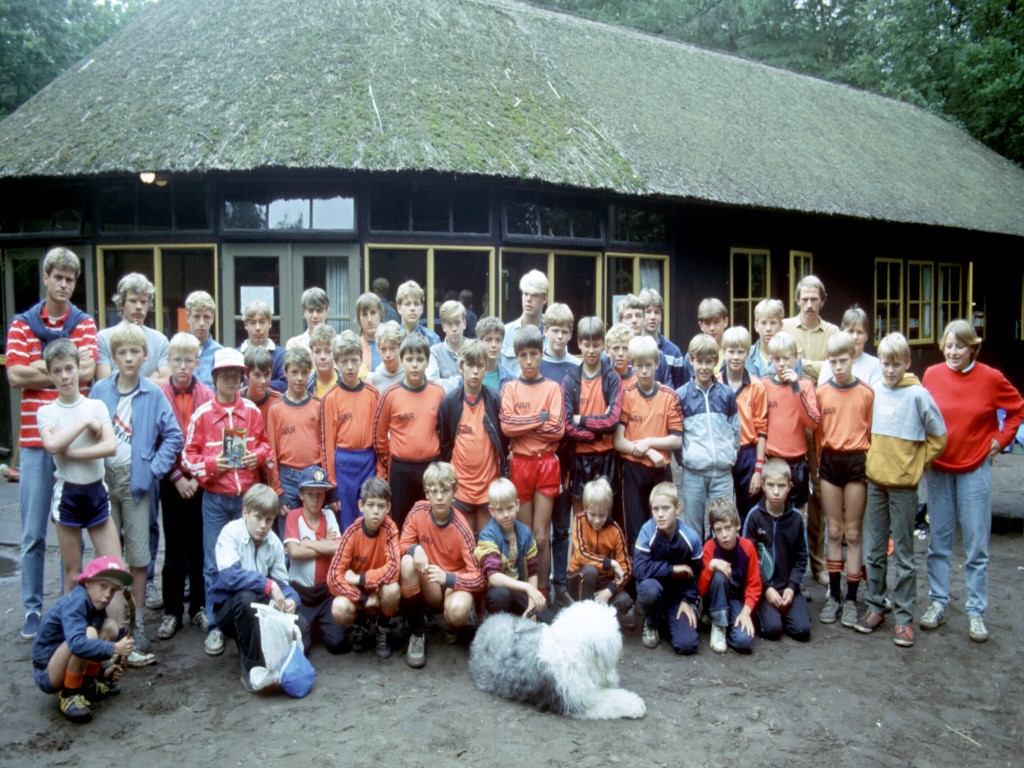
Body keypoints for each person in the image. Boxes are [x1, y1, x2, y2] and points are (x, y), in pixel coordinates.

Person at [7, 247, 98, 639]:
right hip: (34, 443)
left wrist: (40, 367)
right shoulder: (22, 324)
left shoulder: (84, 323)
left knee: (72, 530)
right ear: (45, 278)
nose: (63, 284)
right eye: (57, 277)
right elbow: (14, 375)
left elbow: (88, 371)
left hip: (76, 441)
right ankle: (31, 609)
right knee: (33, 532)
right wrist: (64, 370)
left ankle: (67, 606)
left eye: (70, 279)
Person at [920, 320, 1023, 644]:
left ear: (972, 348)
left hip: (975, 467)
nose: (953, 352)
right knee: (939, 539)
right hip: (939, 467)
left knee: (976, 543)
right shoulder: (932, 375)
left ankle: (976, 611)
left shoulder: (991, 378)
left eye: (960, 346)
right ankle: (938, 602)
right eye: (949, 346)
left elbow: (1017, 409)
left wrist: (1001, 440)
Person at [91, 322, 184, 656]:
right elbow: (88, 428)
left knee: (139, 555)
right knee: (107, 556)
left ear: (145, 356)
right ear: (113, 357)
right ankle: (110, 620)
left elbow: (173, 435)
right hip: (103, 481)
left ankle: (137, 621)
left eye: (135, 352)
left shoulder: (153, 394)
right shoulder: (100, 390)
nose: (129, 358)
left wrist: (152, 469)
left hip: (137, 483)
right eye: (122, 352)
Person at [183, 347, 275, 657]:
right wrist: (211, 464)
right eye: (225, 376)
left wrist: (255, 456)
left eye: (236, 376)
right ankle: (215, 626)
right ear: (215, 378)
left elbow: (266, 447)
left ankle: (248, 619)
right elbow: (187, 456)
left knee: (249, 560)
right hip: (216, 499)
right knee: (214, 564)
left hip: (246, 500)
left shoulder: (251, 410)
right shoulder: (202, 415)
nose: (231, 381)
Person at [855, 333, 946, 647]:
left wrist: (917, 463)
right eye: (885, 364)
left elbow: (939, 436)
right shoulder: (875, 390)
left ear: (907, 363)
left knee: (905, 555)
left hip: (905, 488)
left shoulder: (918, 395)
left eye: (896, 364)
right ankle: (875, 606)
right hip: (876, 483)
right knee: (874, 550)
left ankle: (905, 619)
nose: (890, 370)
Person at [37, 339, 120, 594]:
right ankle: (72, 620)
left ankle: (114, 620)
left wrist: (73, 452)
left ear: (78, 368)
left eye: (69, 368)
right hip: (68, 494)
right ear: (50, 375)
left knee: (113, 569)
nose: (64, 376)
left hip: (96, 491)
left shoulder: (96, 405)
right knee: (73, 574)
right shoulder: (47, 412)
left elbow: (110, 446)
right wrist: (84, 423)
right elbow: (52, 445)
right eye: (57, 371)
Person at [207, 484, 302, 692]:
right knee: (246, 597)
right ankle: (250, 668)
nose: (263, 526)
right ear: (245, 512)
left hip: (260, 608)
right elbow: (230, 577)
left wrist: (292, 600)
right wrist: (268, 584)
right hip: (227, 611)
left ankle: (270, 658)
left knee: (299, 621)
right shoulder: (230, 533)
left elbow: (282, 583)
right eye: (258, 517)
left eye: (269, 519)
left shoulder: (274, 542)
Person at [500, 325, 566, 596]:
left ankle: (544, 591)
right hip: (521, 463)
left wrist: (523, 426)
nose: (528, 361)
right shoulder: (510, 388)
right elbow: (507, 426)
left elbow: (558, 429)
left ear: (541, 354)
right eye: (523, 355)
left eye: (534, 354)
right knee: (525, 535)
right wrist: (539, 419)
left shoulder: (552, 388)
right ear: (516, 357)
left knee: (541, 535)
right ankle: (527, 592)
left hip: (546, 463)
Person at [398, 462, 484, 668]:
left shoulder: (462, 528)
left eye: (444, 491)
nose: (439, 497)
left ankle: (455, 624)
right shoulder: (418, 511)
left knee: (457, 612)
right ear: (427, 493)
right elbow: (399, 546)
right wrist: (415, 549)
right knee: (407, 562)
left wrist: (449, 578)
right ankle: (417, 633)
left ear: (454, 492)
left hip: (453, 584)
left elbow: (479, 578)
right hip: (430, 582)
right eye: (434, 491)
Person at [157, 332, 214, 640]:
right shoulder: (159, 395)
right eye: (176, 360)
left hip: (199, 481)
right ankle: (172, 611)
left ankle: (199, 607)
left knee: (198, 546)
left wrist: (196, 478)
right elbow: (155, 440)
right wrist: (177, 477)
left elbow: (210, 441)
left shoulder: (206, 394)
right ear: (168, 361)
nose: (182, 366)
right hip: (172, 482)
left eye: (188, 360)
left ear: (197, 362)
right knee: (174, 548)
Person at [815, 332, 874, 629]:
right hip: (830, 461)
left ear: (853, 358)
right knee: (834, 530)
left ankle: (851, 598)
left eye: (843, 361)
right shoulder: (822, 392)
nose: (838, 367)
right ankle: (834, 597)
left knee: (853, 532)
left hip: (855, 462)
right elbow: (817, 433)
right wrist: (820, 463)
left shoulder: (866, 393)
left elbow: (871, 431)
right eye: (833, 361)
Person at [31, 556, 135, 723]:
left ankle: (88, 684)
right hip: (48, 672)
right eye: (103, 586)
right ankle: (69, 694)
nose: (107, 595)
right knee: (89, 634)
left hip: (65, 658)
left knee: (110, 627)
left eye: (112, 590)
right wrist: (114, 648)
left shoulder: (95, 603)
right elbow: (77, 644)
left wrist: (103, 672)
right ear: (87, 582)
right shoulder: (76, 601)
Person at [783, 275, 838, 586]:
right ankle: (786, 562)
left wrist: (802, 364)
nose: (808, 304)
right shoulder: (785, 328)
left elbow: (832, 368)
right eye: (803, 299)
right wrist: (816, 365)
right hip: (788, 419)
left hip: (819, 419)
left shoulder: (832, 332)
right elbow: (780, 363)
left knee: (817, 492)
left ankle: (817, 563)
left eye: (814, 299)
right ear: (796, 300)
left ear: (822, 300)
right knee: (786, 488)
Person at [614, 334, 682, 552]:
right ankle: (638, 572)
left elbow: (677, 439)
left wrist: (649, 443)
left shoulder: (669, 396)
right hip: (633, 470)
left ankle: (663, 569)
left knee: (663, 526)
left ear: (657, 364)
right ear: (632, 365)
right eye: (639, 366)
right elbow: (619, 441)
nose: (644, 371)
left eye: (648, 365)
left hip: (661, 469)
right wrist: (647, 452)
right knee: (635, 529)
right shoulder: (626, 395)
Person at [373, 333, 445, 529]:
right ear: (401, 360)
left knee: (431, 523)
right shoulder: (390, 394)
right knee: (401, 523)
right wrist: (391, 462)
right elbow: (379, 435)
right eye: (409, 359)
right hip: (401, 470)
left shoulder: (438, 393)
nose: (415, 365)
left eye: (420, 360)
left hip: (430, 468)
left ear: (427, 362)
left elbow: (445, 433)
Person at [438, 340, 507, 535]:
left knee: (486, 545)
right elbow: (445, 447)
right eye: (470, 365)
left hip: (488, 488)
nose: (475, 371)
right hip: (460, 489)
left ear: (486, 368)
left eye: (480, 366)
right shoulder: (449, 403)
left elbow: (503, 444)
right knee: (465, 544)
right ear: (461, 366)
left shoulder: (494, 400)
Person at [327, 477, 401, 659]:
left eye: (381, 506)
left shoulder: (390, 529)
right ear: (361, 505)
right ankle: (362, 622)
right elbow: (333, 577)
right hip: (360, 594)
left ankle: (383, 626)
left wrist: (360, 578)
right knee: (339, 608)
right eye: (371, 505)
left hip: (379, 588)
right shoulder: (351, 533)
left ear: (388, 507)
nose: (375, 511)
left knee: (392, 588)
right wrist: (362, 598)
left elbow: (393, 569)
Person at [676, 333, 739, 539]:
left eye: (709, 362)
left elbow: (735, 431)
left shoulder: (727, 394)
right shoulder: (681, 396)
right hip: (693, 473)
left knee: (723, 525)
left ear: (716, 361)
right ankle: (697, 561)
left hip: (722, 473)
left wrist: (729, 456)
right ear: (691, 361)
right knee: (693, 528)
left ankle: (719, 559)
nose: (704, 367)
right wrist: (688, 458)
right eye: (699, 362)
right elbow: (678, 437)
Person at [742, 459, 811, 643]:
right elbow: (749, 558)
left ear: (789, 486)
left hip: (787, 586)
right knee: (773, 630)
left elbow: (801, 558)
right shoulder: (754, 517)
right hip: (762, 588)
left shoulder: (796, 519)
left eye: (781, 486)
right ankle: (766, 614)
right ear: (763, 485)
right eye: (771, 485)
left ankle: (788, 611)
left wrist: (792, 587)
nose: (776, 491)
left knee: (802, 631)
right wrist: (766, 588)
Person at [633, 482, 703, 654]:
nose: (660, 514)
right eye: (655, 509)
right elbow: (639, 570)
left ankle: (670, 615)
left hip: (677, 595)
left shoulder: (691, 538)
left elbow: (696, 574)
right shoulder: (647, 532)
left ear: (677, 508)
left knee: (687, 645)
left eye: (666, 508)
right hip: (653, 587)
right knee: (650, 590)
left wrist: (687, 600)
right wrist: (672, 569)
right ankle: (651, 622)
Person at [321, 330, 380, 531]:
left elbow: (380, 438)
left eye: (354, 361)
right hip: (343, 463)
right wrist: (331, 484)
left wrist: (381, 470)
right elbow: (327, 445)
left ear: (361, 360)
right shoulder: (330, 398)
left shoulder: (372, 394)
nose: (349, 367)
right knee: (346, 520)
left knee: (369, 516)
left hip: (368, 460)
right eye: (344, 361)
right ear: (336, 362)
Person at [283, 466, 345, 655]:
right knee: (301, 648)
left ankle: (319, 623)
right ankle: (313, 626)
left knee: (338, 644)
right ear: (301, 494)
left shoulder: (328, 515)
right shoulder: (294, 516)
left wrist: (308, 543)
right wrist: (324, 543)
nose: (316, 499)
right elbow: (294, 552)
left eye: (320, 494)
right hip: (301, 593)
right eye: (310, 494)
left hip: (325, 593)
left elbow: (338, 547)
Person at [473, 478, 550, 622]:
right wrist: (527, 588)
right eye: (500, 510)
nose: (506, 515)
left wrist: (531, 606)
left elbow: (533, 572)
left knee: (547, 620)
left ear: (517, 505)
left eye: (509, 508)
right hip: (496, 591)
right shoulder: (487, 535)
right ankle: (493, 621)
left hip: (519, 590)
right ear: (491, 511)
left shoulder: (525, 533)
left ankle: (521, 616)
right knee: (500, 596)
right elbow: (493, 577)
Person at [762, 331, 821, 513]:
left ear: (795, 358)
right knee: (772, 512)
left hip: (797, 461)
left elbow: (813, 423)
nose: (782, 364)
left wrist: (796, 387)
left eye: (786, 358)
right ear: (770, 359)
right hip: (772, 460)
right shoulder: (763, 385)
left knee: (797, 514)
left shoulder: (805, 386)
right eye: (777, 359)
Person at [567, 478, 634, 629]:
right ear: (585, 507)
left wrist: (609, 591)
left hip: (604, 583)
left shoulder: (615, 530)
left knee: (625, 601)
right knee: (591, 571)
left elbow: (626, 568)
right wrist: (610, 563)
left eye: (602, 515)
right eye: (592, 514)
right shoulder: (580, 520)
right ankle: (583, 620)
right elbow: (582, 555)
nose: (597, 520)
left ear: (608, 510)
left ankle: (602, 623)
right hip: (579, 577)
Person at [266, 347, 323, 522]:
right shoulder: (276, 409)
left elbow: (326, 446)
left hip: (314, 477)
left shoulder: (318, 406)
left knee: (314, 529)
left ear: (310, 372)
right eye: (294, 372)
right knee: (289, 532)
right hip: (287, 479)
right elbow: (271, 454)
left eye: (304, 372)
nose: (299, 378)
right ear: (285, 372)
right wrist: (277, 490)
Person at [698, 498, 761, 654]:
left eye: (728, 528)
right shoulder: (709, 547)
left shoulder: (747, 547)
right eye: (718, 530)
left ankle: (728, 628)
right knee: (720, 574)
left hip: (735, 600)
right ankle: (718, 625)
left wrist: (746, 611)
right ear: (713, 531)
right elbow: (700, 589)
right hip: (713, 600)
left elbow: (754, 585)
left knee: (744, 642)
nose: (724, 535)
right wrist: (711, 566)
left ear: (737, 525)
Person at [719, 326, 767, 525]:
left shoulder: (756, 386)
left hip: (747, 454)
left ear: (748, 353)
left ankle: (749, 544)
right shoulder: (715, 383)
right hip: (721, 452)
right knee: (722, 511)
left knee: (748, 511)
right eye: (731, 351)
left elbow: (762, 430)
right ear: (723, 352)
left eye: (741, 352)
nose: (736, 357)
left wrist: (758, 470)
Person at [95, 273, 169, 382]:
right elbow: (105, 383)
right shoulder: (103, 338)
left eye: (143, 302)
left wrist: (119, 377)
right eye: (133, 301)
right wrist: (149, 381)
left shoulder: (160, 341)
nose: (139, 307)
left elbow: (167, 384)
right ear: (121, 304)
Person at [817, 305, 881, 388]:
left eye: (860, 332)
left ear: (866, 336)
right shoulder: (830, 364)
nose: (855, 337)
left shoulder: (875, 365)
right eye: (851, 331)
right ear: (842, 332)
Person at [500, 269, 548, 375]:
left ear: (544, 299)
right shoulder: (505, 333)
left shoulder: (553, 334)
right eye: (525, 294)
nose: (528, 299)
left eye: (534, 294)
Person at [746, 298, 804, 380]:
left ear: (781, 325)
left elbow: (798, 386)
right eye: (763, 323)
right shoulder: (746, 355)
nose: (768, 328)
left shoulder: (793, 357)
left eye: (773, 323)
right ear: (756, 326)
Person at [238, 299, 286, 392]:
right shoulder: (237, 355)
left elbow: (284, 384)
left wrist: (247, 384)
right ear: (246, 325)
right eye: (253, 323)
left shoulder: (282, 355)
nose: (258, 328)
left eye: (262, 322)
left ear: (270, 323)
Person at [426, 299, 467, 392]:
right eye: (449, 324)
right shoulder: (434, 352)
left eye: (457, 323)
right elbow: (432, 384)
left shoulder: (474, 349)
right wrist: (461, 381)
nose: (454, 329)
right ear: (443, 326)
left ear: (464, 324)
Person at [184, 290, 222, 388]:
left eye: (206, 317)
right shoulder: (176, 351)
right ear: (187, 317)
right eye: (196, 317)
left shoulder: (221, 354)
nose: (201, 323)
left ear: (213, 318)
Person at [539, 303, 580, 383]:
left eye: (564, 332)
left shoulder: (577, 366)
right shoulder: (536, 365)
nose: (560, 336)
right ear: (545, 331)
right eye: (555, 331)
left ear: (570, 334)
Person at [239, 345, 280, 423]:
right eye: (257, 375)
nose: (263, 381)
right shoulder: (235, 400)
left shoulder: (279, 402)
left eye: (267, 374)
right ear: (246, 374)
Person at [475, 315, 514, 394]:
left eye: (498, 340)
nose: (494, 345)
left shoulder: (510, 377)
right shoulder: (470, 374)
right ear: (480, 342)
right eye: (488, 340)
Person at [638, 287, 680, 358]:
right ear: (640, 315)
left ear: (661, 317)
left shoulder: (673, 352)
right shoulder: (629, 348)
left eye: (657, 312)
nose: (653, 317)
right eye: (648, 312)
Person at [396, 279, 440, 345]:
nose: (412, 308)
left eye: (416, 304)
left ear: (422, 308)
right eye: (407, 304)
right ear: (399, 308)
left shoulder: (432, 339)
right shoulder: (391, 339)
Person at [285, 287, 329, 351]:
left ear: (326, 311)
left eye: (319, 311)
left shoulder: (337, 342)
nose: (315, 316)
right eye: (311, 311)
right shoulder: (294, 345)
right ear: (305, 312)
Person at [366, 320, 405, 390]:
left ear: (400, 347)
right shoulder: (373, 379)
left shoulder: (409, 373)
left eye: (392, 349)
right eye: (383, 349)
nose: (388, 355)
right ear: (378, 349)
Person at [356, 291, 385, 376]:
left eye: (373, 313)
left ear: (380, 315)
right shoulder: (355, 348)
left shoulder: (392, 346)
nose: (369, 319)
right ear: (358, 319)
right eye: (364, 314)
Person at [307, 324, 338, 397]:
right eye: (317, 352)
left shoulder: (345, 383)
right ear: (312, 354)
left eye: (328, 351)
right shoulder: (306, 386)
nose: (322, 357)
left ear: (335, 353)